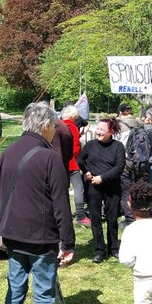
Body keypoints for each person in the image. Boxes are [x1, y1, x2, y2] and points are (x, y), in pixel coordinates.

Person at [0, 102, 75, 304]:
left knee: (15, 290)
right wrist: (68, 242)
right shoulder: (49, 157)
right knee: (42, 294)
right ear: (44, 125)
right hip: (41, 238)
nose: (55, 130)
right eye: (54, 125)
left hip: (13, 234)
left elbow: (1, 193)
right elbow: (61, 203)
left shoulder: (8, 151)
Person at [77, 118, 126, 263]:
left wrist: (102, 178)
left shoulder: (118, 147)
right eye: (97, 129)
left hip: (112, 187)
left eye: (101, 130)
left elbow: (119, 167)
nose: (98, 132)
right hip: (93, 188)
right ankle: (99, 250)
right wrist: (85, 172)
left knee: (112, 219)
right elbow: (80, 159)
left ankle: (113, 248)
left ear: (111, 131)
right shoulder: (90, 145)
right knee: (96, 220)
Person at [116, 103, 144, 226]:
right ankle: (139, 215)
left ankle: (130, 220)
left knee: (125, 193)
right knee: (136, 190)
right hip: (140, 162)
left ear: (120, 113)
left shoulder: (119, 125)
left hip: (125, 163)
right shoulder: (140, 124)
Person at [60, 105, 88, 225]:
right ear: (72, 116)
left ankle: (63, 213)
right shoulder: (72, 127)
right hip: (71, 162)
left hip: (58, 162)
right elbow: (76, 147)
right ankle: (81, 215)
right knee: (78, 187)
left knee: (61, 188)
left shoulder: (57, 125)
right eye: (76, 117)